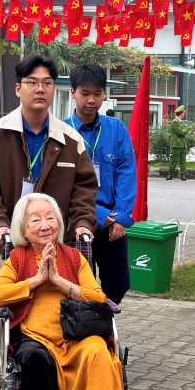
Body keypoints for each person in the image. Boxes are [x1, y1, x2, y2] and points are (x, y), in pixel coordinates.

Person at [0, 193, 127, 390]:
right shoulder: (18, 258)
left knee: (99, 352)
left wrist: (61, 283)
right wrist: (36, 280)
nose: (44, 224)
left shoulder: (73, 257)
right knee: (32, 360)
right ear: (24, 229)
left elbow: (98, 296)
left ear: (59, 224)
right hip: (37, 340)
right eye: (35, 219)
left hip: (77, 337)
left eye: (50, 217)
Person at [0, 54, 98, 299]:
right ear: (18, 88)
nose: (40, 89)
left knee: (64, 318)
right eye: (32, 82)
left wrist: (83, 224)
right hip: (9, 245)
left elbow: (85, 189)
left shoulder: (71, 139)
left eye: (47, 83)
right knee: (4, 318)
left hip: (60, 247)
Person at [66, 65, 136, 302]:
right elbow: (63, 183)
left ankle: (103, 326)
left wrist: (121, 217)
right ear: (72, 93)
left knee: (118, 283)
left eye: (97, 94)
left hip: (112, 225)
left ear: (104, 95)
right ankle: (84, 329)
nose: (91, 100)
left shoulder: (115, 129)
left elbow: (126, 172)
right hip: (76, 222)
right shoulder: (62, 132)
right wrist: (98, 213)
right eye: (85, 93)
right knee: (79, 286)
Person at [168, 105, 190, 181]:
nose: (184, 114)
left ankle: (183, 176)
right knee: (174, 161)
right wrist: (187, 130)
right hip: (176, 145)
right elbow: (180, 133)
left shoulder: (181, 122)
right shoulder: (174, 122)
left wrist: (186, 130)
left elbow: (183, 131)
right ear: (181, 113)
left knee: (183, 161)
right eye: (183, 113)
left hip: (183, 145)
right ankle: (170, 174)